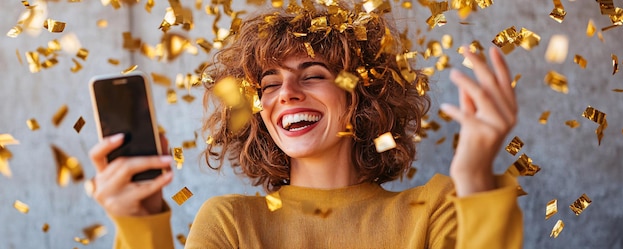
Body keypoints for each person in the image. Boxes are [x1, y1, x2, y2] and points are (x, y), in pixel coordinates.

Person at [89, 1, 522, 248]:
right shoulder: (232, 223)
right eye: (269, 84)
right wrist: (140, 223)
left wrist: (475, 178)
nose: (286, 93)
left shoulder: (434, 208)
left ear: (361, 95)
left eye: (313, 74)